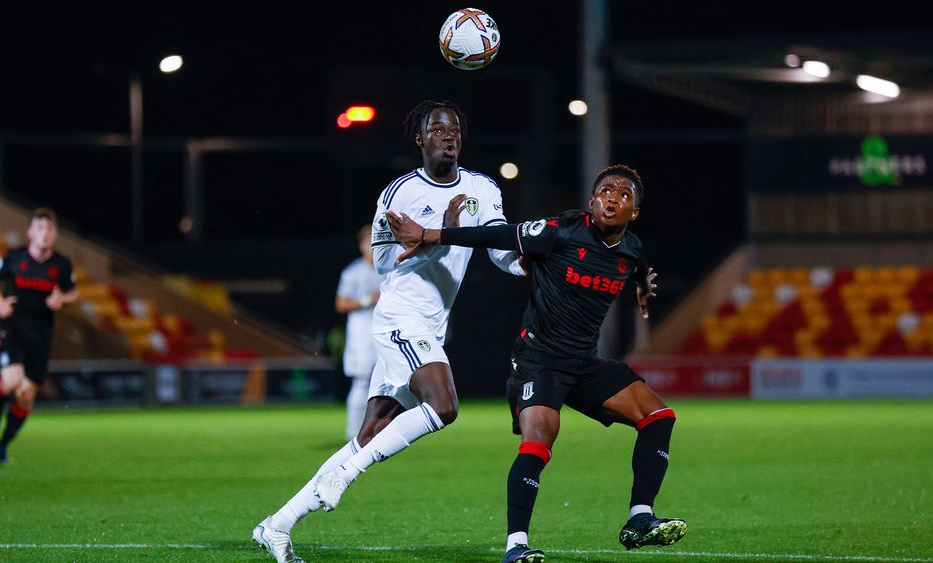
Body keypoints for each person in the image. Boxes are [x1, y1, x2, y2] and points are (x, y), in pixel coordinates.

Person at [252, 100, 526, 563]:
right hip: (400, 316)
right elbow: (383, 266)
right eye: (438, 129)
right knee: (444, 405)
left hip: (433, 324)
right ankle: (347, 474)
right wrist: (441, 236)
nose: (449, 135)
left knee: (371, 429)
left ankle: (277, 525)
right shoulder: (397, 193)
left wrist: (530, 264)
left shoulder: (483, 188)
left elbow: (498, 247)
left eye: (455, 128)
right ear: (420, 139)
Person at [386, 164, 686, 562]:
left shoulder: (631, 249)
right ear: (592, 201)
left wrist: (643, 287)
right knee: (541, 438)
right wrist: (428, 234)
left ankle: (639, 518)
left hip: (583, 364)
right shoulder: (560, 230)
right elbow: (494, 233)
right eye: (605, 190)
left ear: (634, 213)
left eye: (624, 194)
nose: (612, 197)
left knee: (659, 416)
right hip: (538, 360)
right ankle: (516, 547)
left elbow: (636, 270)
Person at [0, 207, 77, 464]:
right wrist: (0, 302)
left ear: (55, 234)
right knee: (12, 381)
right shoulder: (14, 257)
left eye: (49, 229)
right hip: (13, 326)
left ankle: (2, 445)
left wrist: (63, 298)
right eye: (40, 228)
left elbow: (73, 292)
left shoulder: (62, 265)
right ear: (30, 232)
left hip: (41, 334)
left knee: (26, 396)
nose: (44, 233)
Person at [334, 225, 383, 440]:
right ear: (361, 245)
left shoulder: (391, 268)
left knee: (387, 381)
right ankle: (353, 433)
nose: (372, 247)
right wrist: (367, 299)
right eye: (367, 242)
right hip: (361, 329)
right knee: (361, 379)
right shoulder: (353, 272)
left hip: (385, 326)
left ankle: (382, 430)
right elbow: (341, 304)